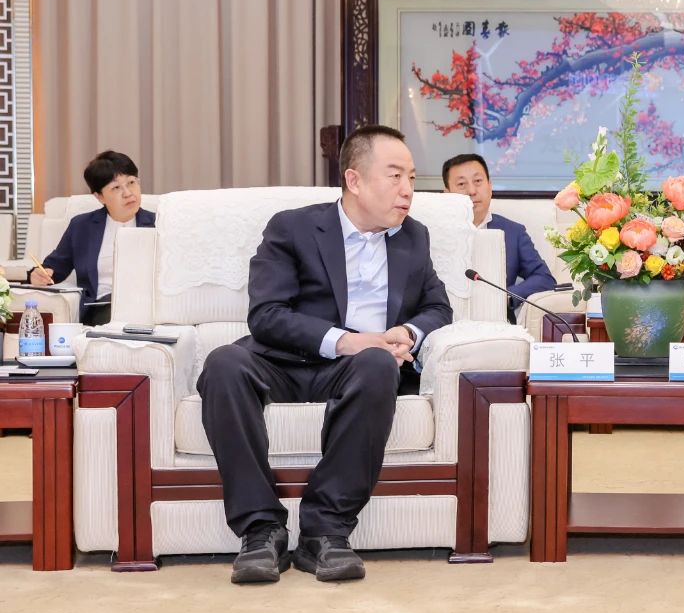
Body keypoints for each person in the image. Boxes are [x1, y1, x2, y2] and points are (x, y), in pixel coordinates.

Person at [197, 125, 452, 585]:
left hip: (360, 370)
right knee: (223, 364)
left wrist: (406, 332)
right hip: (283, 360)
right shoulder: (293, 227)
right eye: (395, 176)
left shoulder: (414, 237)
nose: (408, 191)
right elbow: (267, 315)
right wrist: (347, 340)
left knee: (378, 364)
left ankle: (325, 532)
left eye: (412, 178)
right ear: (354, 180)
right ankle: (261, 530)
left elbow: (438, 308)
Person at [29, 151, 156, 325]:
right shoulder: (82, 227)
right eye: (116, 188)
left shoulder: (160, 223)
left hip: (152, 307)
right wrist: (38, 275)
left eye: (131, 183)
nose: (128, 193)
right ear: (99, 196)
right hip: (105, 308)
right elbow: (54, 268)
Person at [441, 153, 555, 320]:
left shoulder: (513, 232)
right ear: (447, 193)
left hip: (496, 322)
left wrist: (508, 295)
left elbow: (544, 278)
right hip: (446, 322)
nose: (472, 191)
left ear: (490, 186)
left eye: (477, 181)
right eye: (461, 184)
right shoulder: (433, 233)